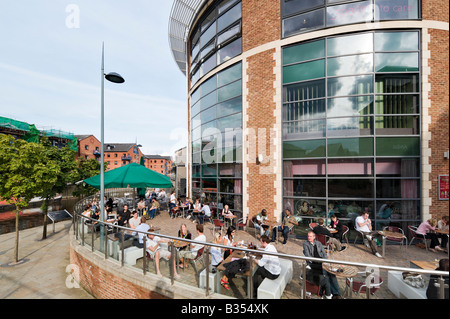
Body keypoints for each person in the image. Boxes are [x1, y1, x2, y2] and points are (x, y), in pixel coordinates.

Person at [303, 231, 342, 299]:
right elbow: (308, 256)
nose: (309, 237)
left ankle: (336, 293)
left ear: (314, 237)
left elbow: (324, 253)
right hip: (314, 264)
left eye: (310, 236)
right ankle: (330, 293)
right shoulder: (305, 244)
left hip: (322, 262)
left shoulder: (318, 243)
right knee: (326, 275)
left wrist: (324, 260)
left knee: (332, 274)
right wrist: (318, 262)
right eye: (308, 236)